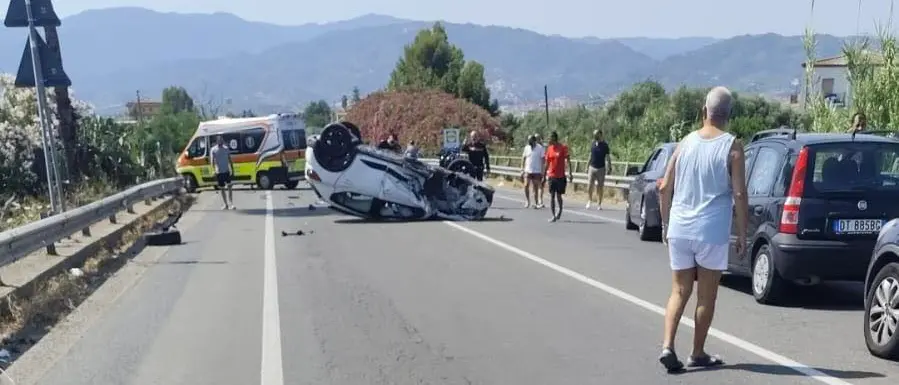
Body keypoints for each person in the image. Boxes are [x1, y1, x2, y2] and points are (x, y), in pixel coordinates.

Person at [657, 86, 748, 372]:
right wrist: (743, 233)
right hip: (711, 230)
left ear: (703, 111)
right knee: (706, 296)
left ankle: (667, 346)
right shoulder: (733, 147)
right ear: (728, 115)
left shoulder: (684, 143)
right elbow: (740, 195)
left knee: (679, 291)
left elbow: (664, 188)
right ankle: (697, 352)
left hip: (680, 228)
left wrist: (665, 224)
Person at [542, 131, 573, 222]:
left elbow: (568, 160)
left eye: (550, 137)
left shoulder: (563, 148)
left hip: (561, 176)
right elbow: (547, 163)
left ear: (554, 138)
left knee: (559, 195)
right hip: (552, 175)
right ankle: (553, 215)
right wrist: (544, 176)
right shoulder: (549, 149)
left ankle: (559, 210)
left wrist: (570, 173)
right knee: (552, 196)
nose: (549, 139)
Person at [586, 129, 612, 210]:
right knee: (590, 185)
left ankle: (599, 203)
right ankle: (589, 200)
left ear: (600, 135)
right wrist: (587, 166)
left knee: (600, 187)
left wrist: (609, 167)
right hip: (592, 167)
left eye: (596, 134)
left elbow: (607, 157)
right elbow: (590, 155)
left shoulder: (605, 145)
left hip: (601, 168)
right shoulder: (593, 143)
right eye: (594, 134)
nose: (595, 136)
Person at [209, 135, 236, 210]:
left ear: (222, 141)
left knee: (229, 187)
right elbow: (212, 161)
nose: (220, 141)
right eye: (219, 140)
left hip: (226, 171)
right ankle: (225, 204)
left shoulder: (226, 148)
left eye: (221, 140)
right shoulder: (213, 150)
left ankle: (231, 204)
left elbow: (230, 160)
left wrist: (232, 170)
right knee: (222, 188)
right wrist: (213, 170)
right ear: (216, 141)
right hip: (219, 172)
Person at [520, 135, 545, 208]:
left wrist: (542, 171)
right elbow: (523, 158)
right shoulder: (527, 148)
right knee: (526, 185)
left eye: (530, 140)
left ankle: (536, 202)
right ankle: (527, 200)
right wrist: (522, 168)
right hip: (528, 170)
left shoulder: (540, 148)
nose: (529, 142)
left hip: (536, 171)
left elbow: (543, 160)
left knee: (535, 187)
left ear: (534, 141)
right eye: (528, 140)